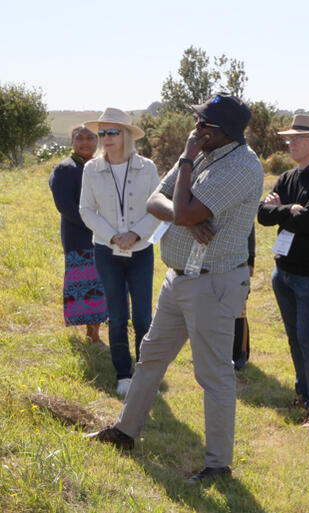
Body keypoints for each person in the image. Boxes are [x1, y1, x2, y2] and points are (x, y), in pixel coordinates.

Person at [87, 93, 263, 484]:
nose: (196, 129)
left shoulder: (241, 167)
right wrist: (185, 214)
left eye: (204, 125)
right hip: (179, 277)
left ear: (224, 132)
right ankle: (126, 432)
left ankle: (218, 465)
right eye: (198, 122)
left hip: (213, 283)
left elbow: (180, 208)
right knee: (150, 357)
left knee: (213, 374)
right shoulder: (202, 153)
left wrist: (183, 186)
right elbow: (156, 200)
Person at [257, 114, 309, 427]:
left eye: (298, 138)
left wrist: (287, 211)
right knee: (294, 338)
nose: (290, 143)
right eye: (289, 138)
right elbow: (263, 215)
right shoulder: (288, 177)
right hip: (283, 272)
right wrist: (288, 209)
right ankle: (303, 394)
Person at [79, 109, 161, 396]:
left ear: (126, 135)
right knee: (116, 316)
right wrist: (114, 236)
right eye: (102, 133)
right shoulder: (92, 169)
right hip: (106, 250)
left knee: (142, 318)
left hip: (140, 250)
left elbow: (158, 208)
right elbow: (86, 210)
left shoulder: (147, 168)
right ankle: (124, 375)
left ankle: (146, 375)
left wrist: (135, 234)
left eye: (112, 132)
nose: (105, 138)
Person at [49, 125, 108, 347]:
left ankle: (96, 332)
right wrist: (97, 224)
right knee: (88, 286)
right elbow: (65, 206)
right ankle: (92, 336)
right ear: (71, 142)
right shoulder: (65, 169)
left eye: (90, 138)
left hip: (103, 236)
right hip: (80, 237)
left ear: (97, 141)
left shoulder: (99, 166)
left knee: (102, 284)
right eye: (79, 138)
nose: (85, 142)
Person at [232, 224, 255, 371]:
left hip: (239, 257)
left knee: (239, 308)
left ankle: (240, 353)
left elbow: (249, 225)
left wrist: (250, 259)